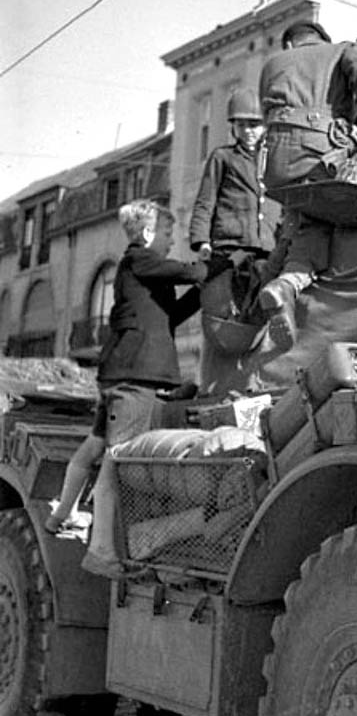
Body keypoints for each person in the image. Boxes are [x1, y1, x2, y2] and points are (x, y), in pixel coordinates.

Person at [45, 200, 211, 572]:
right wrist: (209, 267)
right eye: (168, 234)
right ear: (149, 233)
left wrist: (202, 286)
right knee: (117, 461)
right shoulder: (140, 259)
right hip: (134, 378)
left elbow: (172, 315)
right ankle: (101, 551)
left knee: (97, 444)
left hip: (118, 373)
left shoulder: (143, 272)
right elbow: (184, 270)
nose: (171, 242)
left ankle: (62, 514)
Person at [257, 19, 357, 350]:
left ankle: (262, 293)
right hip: (319, 152)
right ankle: (288, 285)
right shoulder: (344, 50)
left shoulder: (273, 63)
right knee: (317, 226)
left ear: (291, 45)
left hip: (276, 161)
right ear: (321, 39)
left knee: (296, 221)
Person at [189, 88, 280, 262]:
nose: (247, 131)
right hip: (229, 245)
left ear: (264, 126)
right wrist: (201, 241)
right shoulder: (223, 157)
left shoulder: (275, 159)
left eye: (253, 125)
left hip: (268, 246)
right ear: (234, 127)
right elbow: (205, 201)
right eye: (241, 125)